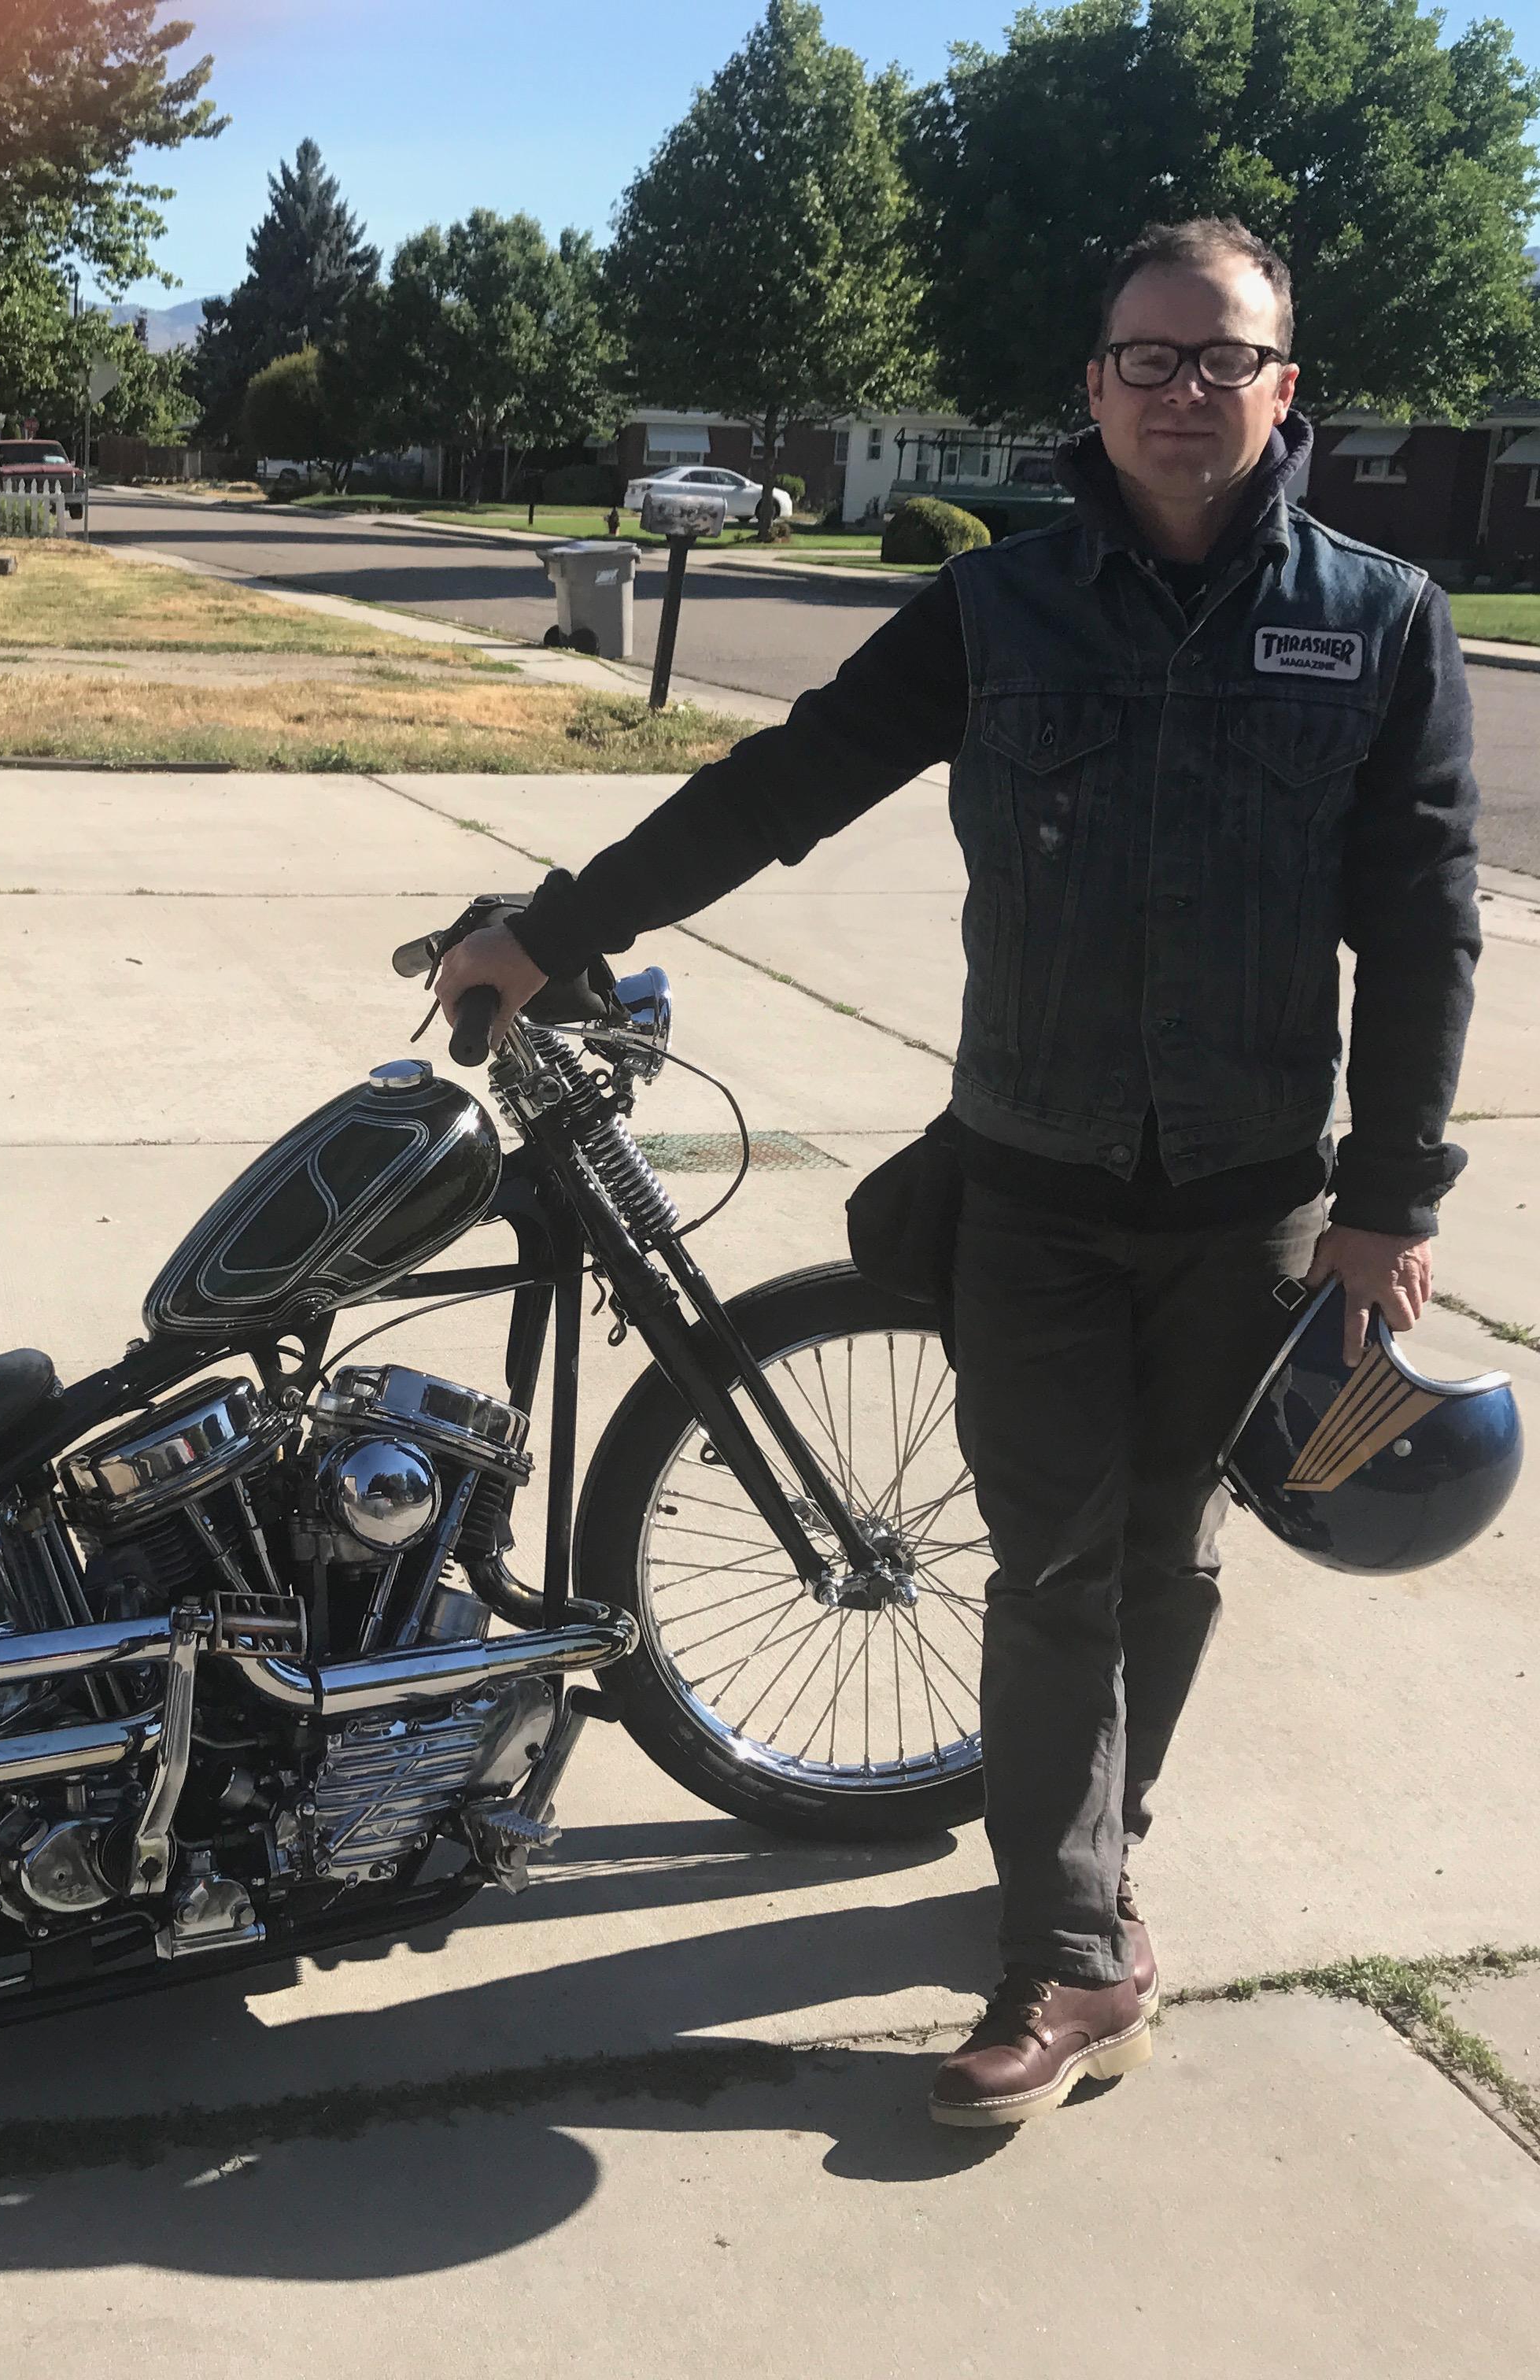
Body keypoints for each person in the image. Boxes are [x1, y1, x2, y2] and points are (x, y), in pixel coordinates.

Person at [434, 216, 1481, 2127]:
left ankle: (1087, 1855)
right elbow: (784, 787)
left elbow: (1422, 925)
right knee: (1058, 1558)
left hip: (1250, 1196)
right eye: (1146, 358)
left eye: (1219, 358)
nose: (1182, 391)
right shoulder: (998, 613)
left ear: (1282, 387)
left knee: (1165, 1552)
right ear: (1093, 385)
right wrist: (558, 929)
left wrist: (1394, 1194)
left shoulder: (1383, 621)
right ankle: (1073, 1950)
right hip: (1034, 1180)